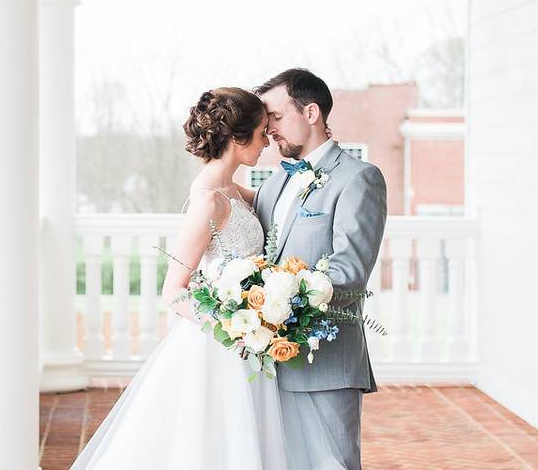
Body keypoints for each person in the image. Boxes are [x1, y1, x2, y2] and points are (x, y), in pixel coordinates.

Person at [70, 87, 290, 469]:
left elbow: (281, 205)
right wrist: (233, 326)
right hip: (221, 342)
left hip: (246, 339)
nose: (266, 145)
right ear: (237, 139)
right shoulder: (208, 199)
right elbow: (173, 290)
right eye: (260, 136)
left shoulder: (230, 189)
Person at [253, 68, 388, 470]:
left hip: (325, 363)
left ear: (311, 112)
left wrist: (278, 308)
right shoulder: (273, 182)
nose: (269, 129)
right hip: (264, 363)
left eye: (275, 117)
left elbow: (349, 273)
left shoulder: (359, 178)